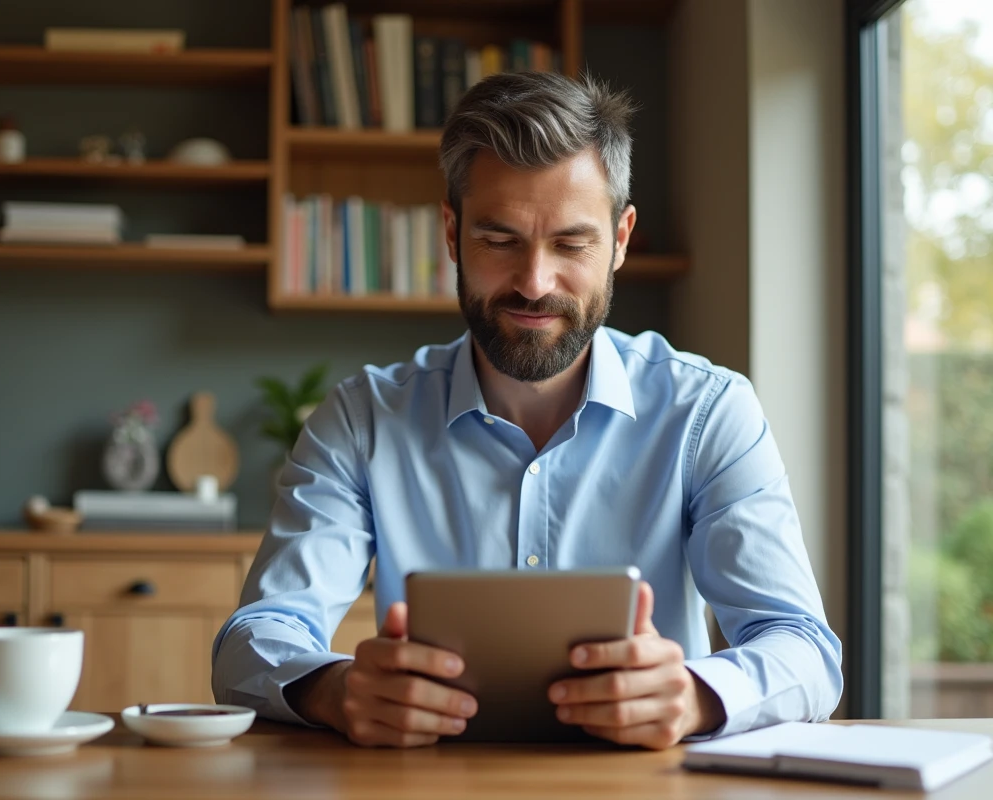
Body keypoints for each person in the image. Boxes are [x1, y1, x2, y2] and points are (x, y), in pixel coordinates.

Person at [212, 71, 843, 750]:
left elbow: (804, 648)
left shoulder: (709, 412)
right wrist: (332, 690)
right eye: (500, 240)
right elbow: (255, 639)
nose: (535, 283)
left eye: (571, 244)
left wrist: (694, 696)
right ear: (452, 234)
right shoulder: (362, 419)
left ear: (622, 238)